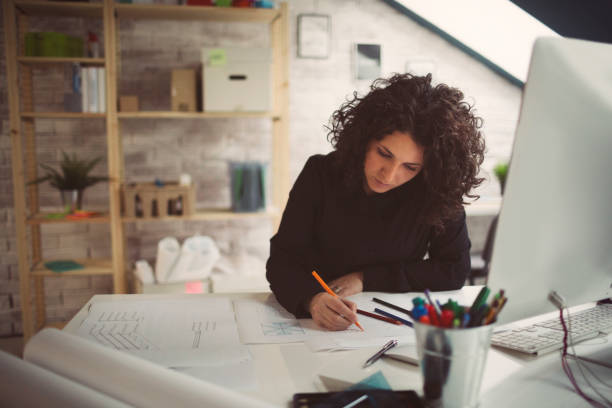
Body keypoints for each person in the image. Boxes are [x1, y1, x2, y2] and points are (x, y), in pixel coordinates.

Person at [266, 73, 486, 331]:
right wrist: (312, 299)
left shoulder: (436, 191)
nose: (389, 175)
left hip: (394, 326)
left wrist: (366, 279)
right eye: (384, 154)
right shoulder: (321, 174)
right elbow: (283, 261)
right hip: (318, 326)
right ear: (364, 138)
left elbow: (454, 269)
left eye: (410, 167)